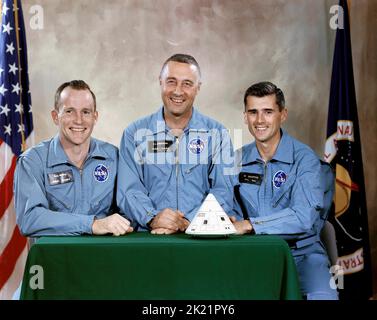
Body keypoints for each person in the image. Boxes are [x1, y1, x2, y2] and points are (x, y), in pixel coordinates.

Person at [231, 81, 338, 300]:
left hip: (302, 255)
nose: (260, 120)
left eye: (268, 112)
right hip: (254, 254)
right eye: (253, 112)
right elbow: (225, 209)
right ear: (245, 117)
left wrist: (251, 225)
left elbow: (303, 217)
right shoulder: (235, 161)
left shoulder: (305, 160)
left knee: (323, 298)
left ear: (283, 114)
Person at [117, 54, 234, 234]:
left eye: (187, 83)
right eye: (171, 81)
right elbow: (128, 190)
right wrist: (153, 218)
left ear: (198, 88)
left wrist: (189, 221)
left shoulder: (218, 134)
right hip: (150, 237)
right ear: (160, 82)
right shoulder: (134, 134)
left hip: (201, 237)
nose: (178, 91)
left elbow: (224, 191)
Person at [14, 80, 133, 236]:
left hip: (105, 255)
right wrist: (92, 224)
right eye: (69, 111)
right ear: (56, 116)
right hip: (56, 257)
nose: (79, 120)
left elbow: (131, 207)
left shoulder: (114, 158)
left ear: (95, 117)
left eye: (86, 112)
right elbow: (29, 219)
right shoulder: (33, 161)